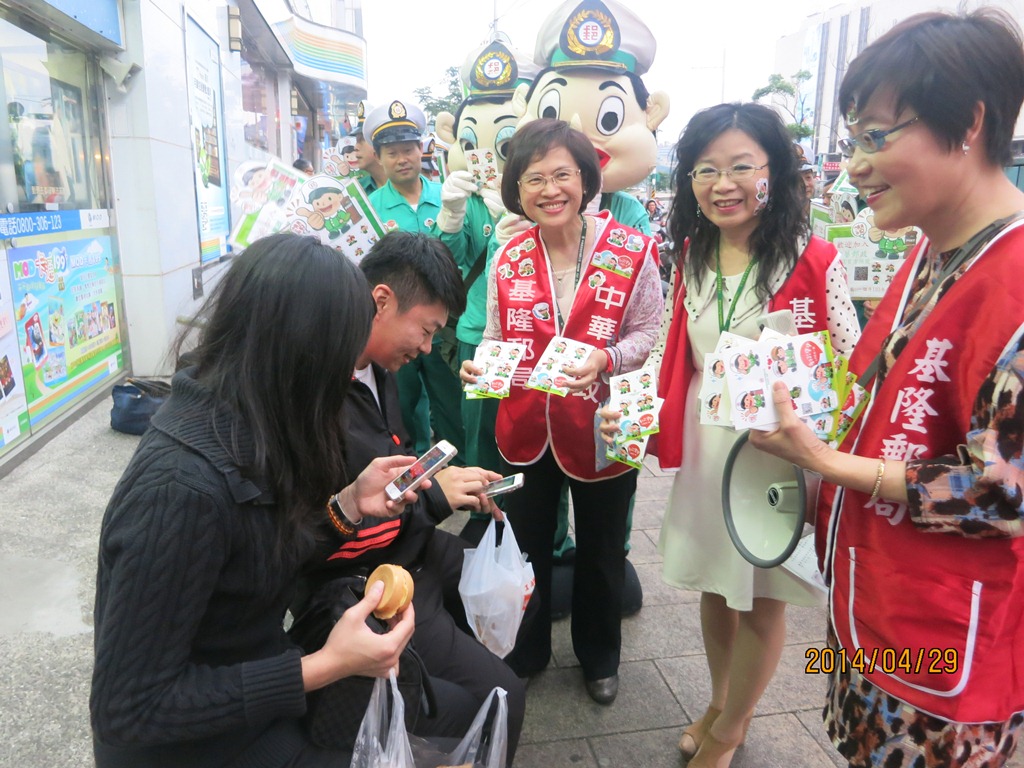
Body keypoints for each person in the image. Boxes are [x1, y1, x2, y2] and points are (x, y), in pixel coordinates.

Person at [749, 10, 1024, 767]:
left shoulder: (1016, 279)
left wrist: (828, 466)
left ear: (968, 123)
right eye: (852, 142)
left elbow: (1006, 494)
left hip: (943, 644)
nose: (853, 168)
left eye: (875, 137)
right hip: (871, 603)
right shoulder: (926, 255)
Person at [90, 234, 421, 767]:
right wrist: (326, 665)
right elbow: (129, 709)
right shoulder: (179, 490)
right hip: (198, 749)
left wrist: (351, 504)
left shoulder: (249, 424)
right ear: (299, 354)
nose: (347, 378)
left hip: (258, 700)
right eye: (341, 359)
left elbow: (259, 558)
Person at [612, 102, 860, 767]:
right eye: (705, 169)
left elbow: (851, 361)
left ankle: (729, 730)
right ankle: (723, 703)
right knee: (718, 584)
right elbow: (672, 344)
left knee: (763, 596)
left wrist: (824, 446)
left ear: (774, 173)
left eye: (741, 166)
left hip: (775, 455)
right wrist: (634, 409)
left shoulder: (816, 256)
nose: (722, 183)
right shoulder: (691, 251)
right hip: (706, 444)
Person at [297, 230, 526, 762]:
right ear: (381, 301)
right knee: (503, 696)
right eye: (424, 330)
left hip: (412, 546)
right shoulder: (315, 392)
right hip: (373, 580)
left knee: (511, 585)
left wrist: (442, 481)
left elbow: (393, 468)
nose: (425, 348)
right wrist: (434, 498)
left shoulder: (376, 366)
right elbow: (338, 521)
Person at [461, 118, 663, 705]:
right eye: (533, 180)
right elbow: (498, 334)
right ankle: (526, 652)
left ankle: (599, 657)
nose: (549, 191)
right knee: (525, 543)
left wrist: (606, 357)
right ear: (516, 192)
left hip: (604, 421)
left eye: (561, 175)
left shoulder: (631, 248)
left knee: (602, 549)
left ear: (586, 180)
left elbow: (650, 327)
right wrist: (481, 366)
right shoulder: (509, 256)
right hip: (524, 424)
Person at [365, 99, 471, 460]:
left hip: (446, 325)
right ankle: (411, 471)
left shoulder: (449, 197)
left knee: (452, 401)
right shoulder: (370, 207)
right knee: (399, 403)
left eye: (408, 149)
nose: (402, 158)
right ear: (379, 158)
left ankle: (459, 471)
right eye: (391, 152)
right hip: (396, 326)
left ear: (421, 149)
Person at [349, 100, 387, 194]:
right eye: (356, 141)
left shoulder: (406, 186)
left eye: (361, 140)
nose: (355, 147)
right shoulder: (357, 191)